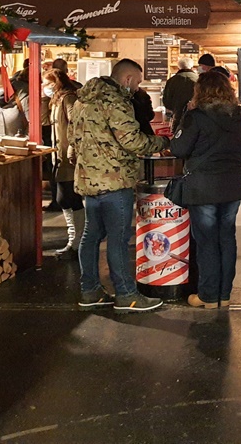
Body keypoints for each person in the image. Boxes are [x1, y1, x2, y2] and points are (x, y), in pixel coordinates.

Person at [71, 59, 167, 312]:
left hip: (89, 181)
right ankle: (126, 294)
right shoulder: (116, 102)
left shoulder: (82, 101)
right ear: (126, 79)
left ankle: (89, 290)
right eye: (137, 82)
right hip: (115, 181)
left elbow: (73, 137)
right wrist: (161, 143)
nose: (137, 88)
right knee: (118, 237)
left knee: (91, 236)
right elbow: (133, 141)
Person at [170, 71, 241, 309]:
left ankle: (207, 296)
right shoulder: (239, 117)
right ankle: (224, 295)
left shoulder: (196, 117)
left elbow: (178, 147)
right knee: (226, 238)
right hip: (232, 186)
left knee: (206, 241)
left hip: (203, 187)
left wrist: (183, 117)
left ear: (200, 91)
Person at [44, 69, 83, 260]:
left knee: (67, 197)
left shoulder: (68, 99)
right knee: (65, 198)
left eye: (48, 83)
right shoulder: (56, 101)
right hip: (59, 157)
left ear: (56, 82)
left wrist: (72, 149)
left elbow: (76, 124)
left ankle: (77, 241)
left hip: (68, 157)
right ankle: (74, 240)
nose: (45, 88)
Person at [162, 57, 198, 131]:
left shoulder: (171, 81)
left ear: (179, 67)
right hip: (197, 119)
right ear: (192, 67)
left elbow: (167, 102)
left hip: (178, 119)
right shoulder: (199, 79)